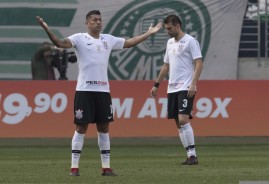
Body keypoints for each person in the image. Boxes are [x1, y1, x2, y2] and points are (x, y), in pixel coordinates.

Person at [36, 10, 162, 176]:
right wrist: (46, 29)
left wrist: (148, 33)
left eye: (99, 20)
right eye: (94, 20)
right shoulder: (79, 38)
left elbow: (130, 42)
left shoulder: (108, 40)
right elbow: (60, 43)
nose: (98, 22)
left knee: (104, 128)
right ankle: (74, 168)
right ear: (87, 23)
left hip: (103, 91)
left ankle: (106, 167)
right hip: (84, 90)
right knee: (81, 127)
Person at [150, 14, 203, 165]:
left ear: (177, 26)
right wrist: (156, 84)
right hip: (172, 88)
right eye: (166, 28)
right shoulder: (169, 43)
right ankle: (189, 155)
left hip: (186, 86)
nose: (167, 31)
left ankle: (193, 155)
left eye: (169, 28)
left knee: (183, 119)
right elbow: (166, 65)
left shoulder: (190, 41)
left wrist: (193, 83)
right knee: (178, 123)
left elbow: (199, 63)